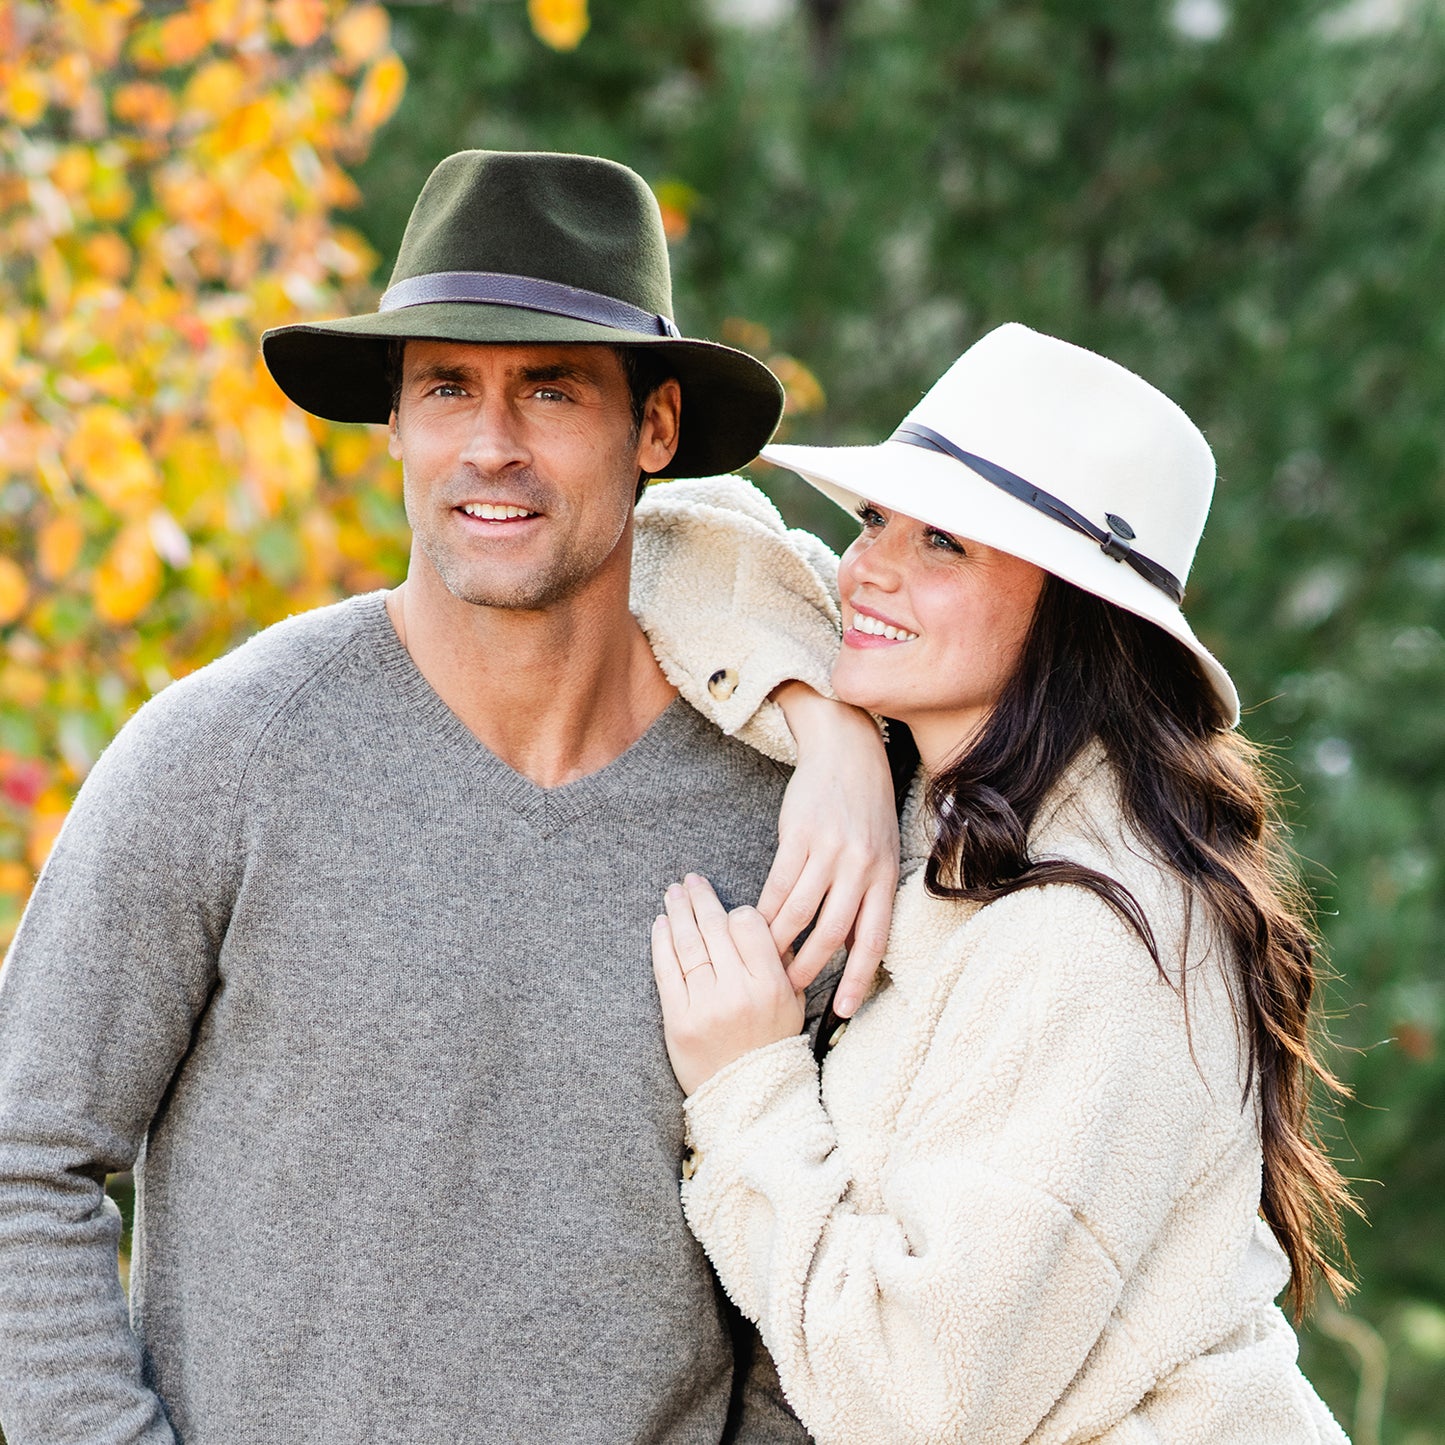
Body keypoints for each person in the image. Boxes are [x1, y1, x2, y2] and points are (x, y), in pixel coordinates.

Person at [0, 150, 899, 1443]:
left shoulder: (789, 820)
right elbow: (25, 1155)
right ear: (396, 423)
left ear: (653, 428)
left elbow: (818, 1246)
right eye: (445, 388)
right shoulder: (226, 753)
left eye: (550, 390)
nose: (490, 444)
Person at [652, 323, 1356, 1443]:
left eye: (946, 544)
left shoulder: (1090, 933)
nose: (870, 564)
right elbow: (664, 529)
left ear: (1077, 615)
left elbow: (916, 1404)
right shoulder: (955, 798)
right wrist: (824, 729)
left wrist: (745, 1087)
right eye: (878, 519)